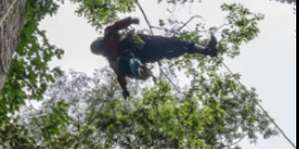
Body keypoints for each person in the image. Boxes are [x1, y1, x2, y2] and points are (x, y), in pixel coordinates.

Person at [90, 16, 218, 98]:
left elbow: (120, 76)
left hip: (148, 56)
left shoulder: (111, 60)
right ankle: (205, 51)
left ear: (100, 53)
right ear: (98, 41)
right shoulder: (108, 34)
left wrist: (125, 90)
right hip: (146, 43)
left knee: (169, 53)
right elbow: (118, 25)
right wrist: (132, 20)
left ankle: (205, 51)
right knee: (176, 43)